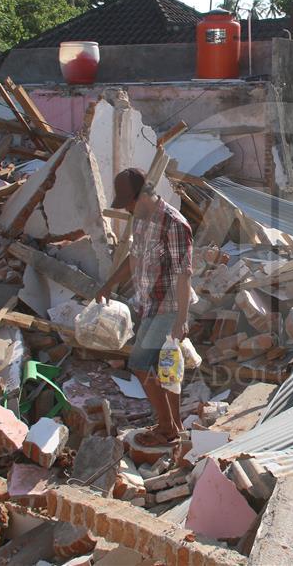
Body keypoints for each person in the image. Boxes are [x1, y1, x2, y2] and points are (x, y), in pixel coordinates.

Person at [96, 168, 193, 447]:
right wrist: (109, 285)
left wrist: (182, 319)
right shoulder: (140, 220)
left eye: (129, 202)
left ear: (144, 197)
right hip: (151, 305)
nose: (127, 208)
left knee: (140, 363)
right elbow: (133, 258)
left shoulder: (174, 224)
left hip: (171, 307)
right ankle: (172, 428)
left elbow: (184, 273)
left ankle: (165, 428)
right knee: (167, 368)